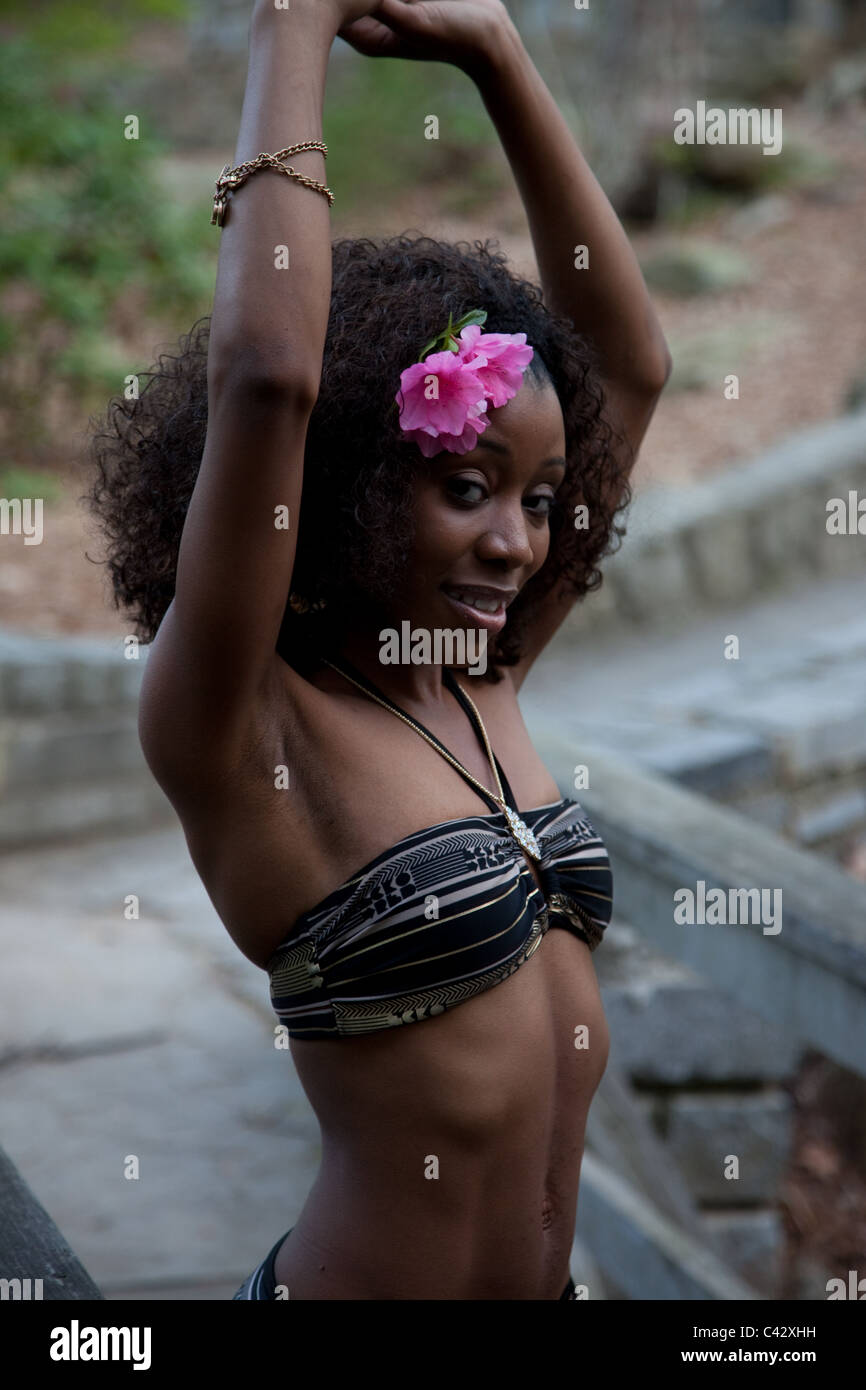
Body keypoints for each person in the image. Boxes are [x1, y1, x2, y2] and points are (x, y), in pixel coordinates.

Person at [87, 0, 670, 1299]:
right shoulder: (243, 727)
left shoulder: (482, 671)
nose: (518, 544)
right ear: (346, 483)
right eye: (464, 486)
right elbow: (266, 381)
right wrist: (290, 24)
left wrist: (498, 55)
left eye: (536, 498)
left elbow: (626, 358)